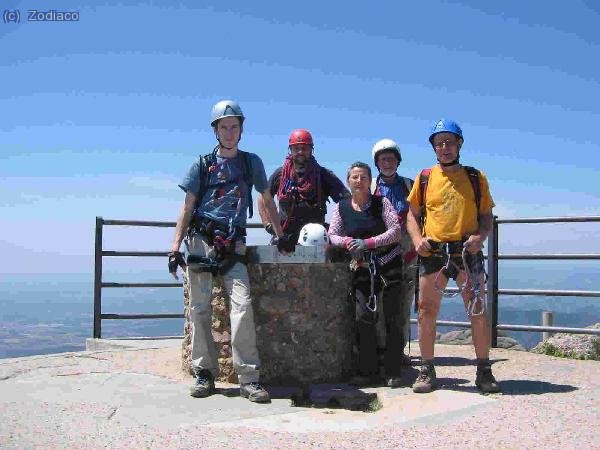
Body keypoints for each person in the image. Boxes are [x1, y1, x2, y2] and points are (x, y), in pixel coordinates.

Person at [168, 100, 285, 402]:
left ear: (241, 130)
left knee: (242, 305)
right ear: (216, 130)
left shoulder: (251, 163)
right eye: (224, 127)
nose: (230, 132)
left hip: (234, 243)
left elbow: (267, 200)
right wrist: (173, 247)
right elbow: (187, 206)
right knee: (200, 308)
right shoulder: (201, 164)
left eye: (234, 127)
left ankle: (249, 378)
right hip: (201, 242)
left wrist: (282, 234)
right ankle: (204, 374)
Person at [406, 118, 500, 394]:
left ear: (459, 144)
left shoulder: (475, 178)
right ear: (434, 148)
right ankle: (426, 369)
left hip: (466, 252)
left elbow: (486, 217)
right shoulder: (425, 178)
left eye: (449, 142)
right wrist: (417, 239)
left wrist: (480, 237)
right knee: (426, 311)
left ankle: (484, 369)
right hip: (433, 252)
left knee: (477, 310)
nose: (444, 147)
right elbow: (411, 215)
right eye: (439, 143)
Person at [328, 162, 404, 387]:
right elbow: (333, 234)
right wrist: (348, 242)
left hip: (388, 266)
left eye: (363, 177)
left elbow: (396, 232)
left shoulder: (382, 203)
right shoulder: (342, 208)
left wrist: (368, 243)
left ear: (370, 181)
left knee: (392, 318)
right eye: (354, 177)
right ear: (348, 181)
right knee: (363, 318)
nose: (358, 181)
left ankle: (393, 371)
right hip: (362, 270)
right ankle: (368, 371)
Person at [258, 129, 348, 251]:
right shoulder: (280, 174)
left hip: (315, 236)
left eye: (304, 148)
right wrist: (268, 224)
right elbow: (262, 198)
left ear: (311, 150)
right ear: (290, 150)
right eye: (296, 148)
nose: (300, 152)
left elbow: (347, 202)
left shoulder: (323, 175)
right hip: (285, 234)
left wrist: (336, 229)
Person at [371, 139, 417, 371]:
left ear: (398, 161)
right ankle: (381, 349)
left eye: (391, 159)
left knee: (403, 304)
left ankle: (397, 351)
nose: (387, 163)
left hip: (408, 254)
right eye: (383, 159)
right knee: (379, 302)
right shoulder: (370, 188)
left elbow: (420, 216)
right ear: (377, 163)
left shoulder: (410, 185)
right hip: (380, 254)